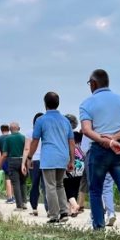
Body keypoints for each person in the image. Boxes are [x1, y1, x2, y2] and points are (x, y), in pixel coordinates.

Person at [78, 68, 120, 236]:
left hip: (99, 150)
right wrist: (115, 138)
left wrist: (104, 140)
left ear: (93, 83)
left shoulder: (87, 103)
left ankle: (99, 227)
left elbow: (86, 130)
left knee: (95, 189)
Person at [28, 92, 77, 223]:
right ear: (58, 103)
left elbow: (35, 141)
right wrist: (72, 160)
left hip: (49, 157)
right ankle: (64, 212)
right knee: (60, 185)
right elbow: (71, 142)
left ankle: (54, 215)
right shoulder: (65, 120)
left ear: (45, 104)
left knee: (50, 186)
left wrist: (29, 157)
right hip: (62, 157)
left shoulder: (41, 120)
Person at [26, 114, 48, 216]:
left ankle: (34, 208)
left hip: (34, 161)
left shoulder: (30, 133)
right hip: (45, 160)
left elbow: (27, 149)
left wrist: (26, 161)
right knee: (46, 186)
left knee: (34, 185)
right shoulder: (47, 131)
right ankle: (48, 209)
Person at [3, 122, 27, 210]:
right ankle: (24, 202)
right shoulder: (23, 137)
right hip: (23, 161)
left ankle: (19, 205)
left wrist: (0, 163)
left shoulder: (8, 138)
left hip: (12, 161)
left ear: (10, 129)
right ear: (19, 128)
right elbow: (27, 150)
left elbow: (5, 153)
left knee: (16, 183)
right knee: (23, 182)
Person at [0, 124, 11, 197]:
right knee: (13, 178)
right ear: (9, 129)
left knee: (7, 178)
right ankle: (13, 196)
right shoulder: (12, 137)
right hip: (13, 159)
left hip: (3, 159)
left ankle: (9, 196)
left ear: (1, 130)